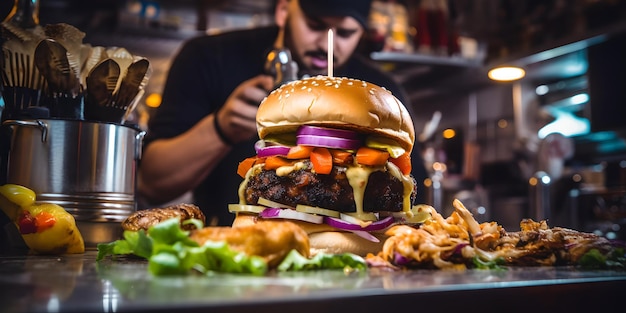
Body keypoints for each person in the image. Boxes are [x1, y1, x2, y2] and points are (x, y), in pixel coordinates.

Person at [138, 0, 428, 226]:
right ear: (283, 11)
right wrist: (220, 128)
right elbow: (151, 182)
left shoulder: (381, 93)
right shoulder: (209, 57)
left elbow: (415, 194)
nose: (327, 42)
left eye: (346, 33)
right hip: (229, 248)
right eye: (315, 25)